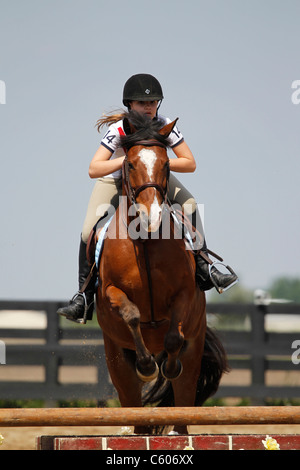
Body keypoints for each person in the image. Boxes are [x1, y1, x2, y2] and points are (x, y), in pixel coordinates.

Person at [57, 74, 238, 323]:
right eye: (143, 103)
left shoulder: (164, 125)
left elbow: (190, 163)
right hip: (115, 179)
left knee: (190, 205)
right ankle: (84, 297)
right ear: (130, 104)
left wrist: (155, 162)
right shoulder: (118, 128)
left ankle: (205, 267)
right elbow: (94, 168)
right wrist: (130, 161)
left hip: (151, 175)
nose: (149, 107)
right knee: (89, 230)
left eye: (153, 102)